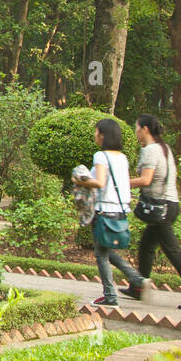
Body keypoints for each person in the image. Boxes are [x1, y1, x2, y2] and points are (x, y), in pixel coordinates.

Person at [129, 113, 181, 311]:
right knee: (146, 245)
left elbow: (146, 180)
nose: (136, 132)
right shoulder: (163, 148)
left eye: (137, 128)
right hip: (168, 205)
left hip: (161, 208)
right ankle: (137, 287)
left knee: (174, 253)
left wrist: (120, 182)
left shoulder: (150, 150)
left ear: (145, 129)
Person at [73, 118, 145, 306]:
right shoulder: (122, 157)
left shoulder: (101, 156)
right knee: (106, 251)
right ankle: (136, 279)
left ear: (103, 135)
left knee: (101, 255)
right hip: (120, 210)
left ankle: (111, 296)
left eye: (97, 132)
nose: (95, 135)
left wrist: (79, 181)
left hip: (103, 210)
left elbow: (100, 183)